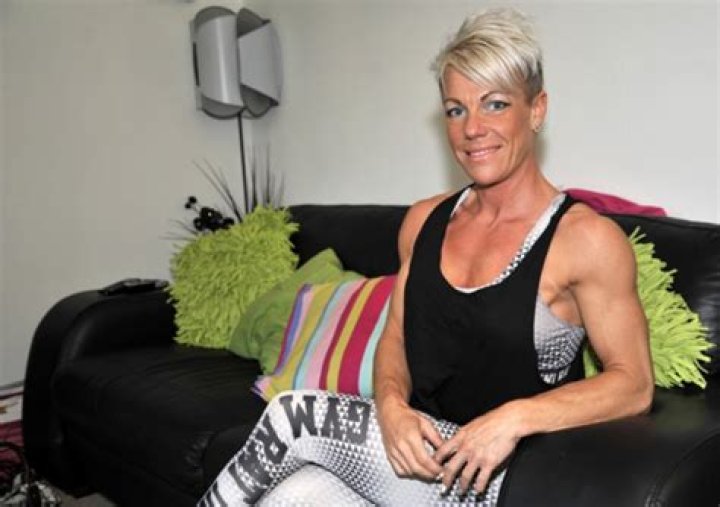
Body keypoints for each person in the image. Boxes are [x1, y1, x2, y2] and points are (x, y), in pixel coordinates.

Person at [199, 8, 653, 506]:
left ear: (536, 110)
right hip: (425, 462)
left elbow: (633, 384)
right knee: (293, 496)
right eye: (456, 110)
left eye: (495, 104)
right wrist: (391, 406)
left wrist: (514, 419)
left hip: (509, 475)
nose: (473, 128)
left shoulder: (584, 239)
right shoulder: (423, 222)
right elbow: (395, 335)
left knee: (294, 416)